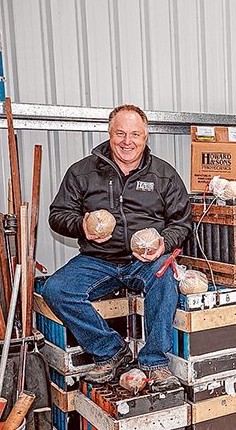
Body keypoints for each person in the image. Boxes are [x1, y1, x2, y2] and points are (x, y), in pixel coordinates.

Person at [41, 105, 192, 392]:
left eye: (135, 134)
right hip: (98, 259)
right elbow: (58, 215)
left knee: (164, 283)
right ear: (109, 134)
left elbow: (182, 222)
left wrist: (163, 244)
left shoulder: (163, 174)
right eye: (120, 133)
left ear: (145, 136)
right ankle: (110, 350)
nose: (127, 141)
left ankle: (155, 362)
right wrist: (81, 226)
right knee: (55, 289)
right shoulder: (82, 172)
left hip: (144, 261)